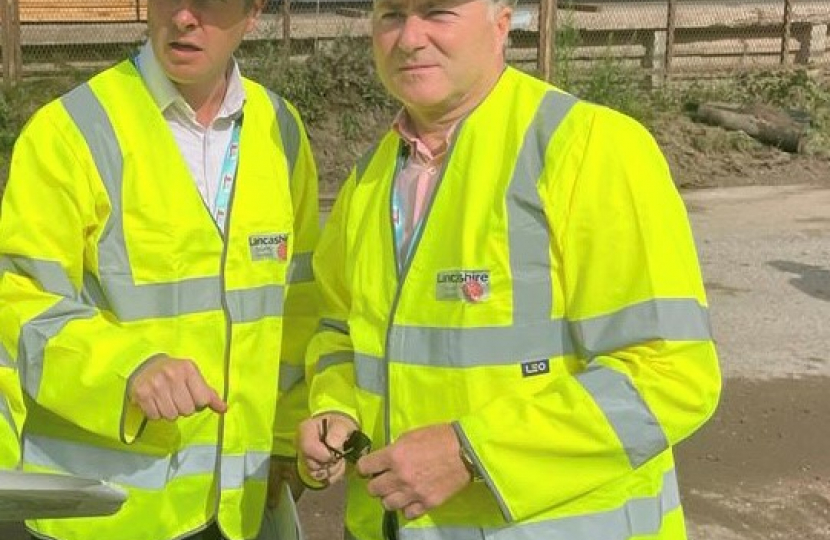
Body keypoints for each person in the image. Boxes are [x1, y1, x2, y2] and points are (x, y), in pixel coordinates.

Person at [297, 0, 722, 538]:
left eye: (438, 12)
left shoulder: (587, 147)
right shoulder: (369, 182)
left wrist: (472, 453)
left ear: (502, 23)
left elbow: (672, 374)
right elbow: (338, 329)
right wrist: (336, 409)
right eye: (391, 16)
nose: (409, 38)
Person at [0, 0, 318, 538]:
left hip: (240, 509)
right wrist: (128, 369)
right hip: (108, 513)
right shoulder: (71, 132)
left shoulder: (279, 130)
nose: (185, 18)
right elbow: (19, 301)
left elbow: (302, 300)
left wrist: (287, 437)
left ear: (254, 12)